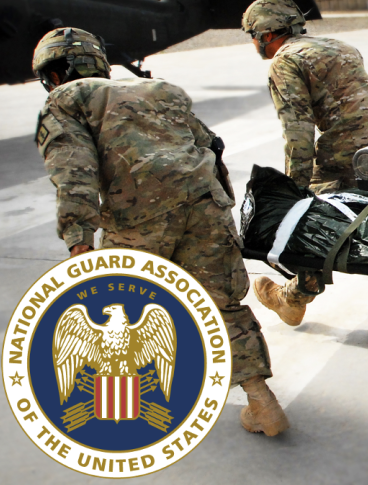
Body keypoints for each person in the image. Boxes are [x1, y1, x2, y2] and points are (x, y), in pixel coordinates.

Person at [32, 27, 288, 436]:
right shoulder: (160, 90)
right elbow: (211, 146)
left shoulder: (64, 100)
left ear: (55, 74)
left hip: (138, 220)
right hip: (205, 205)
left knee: (120, 310)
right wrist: (220, 210)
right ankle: (262, 403)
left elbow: (74, 171)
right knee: (221, 306)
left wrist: (79, 240)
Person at [242, 0, 368, 343]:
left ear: (266, 35)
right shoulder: (337, 45)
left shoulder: (284, 62)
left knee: (308, 219)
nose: (253, 43)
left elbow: (297, 131)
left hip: (348, 153)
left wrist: (292, 190)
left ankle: (292, 300)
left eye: (252, 35)